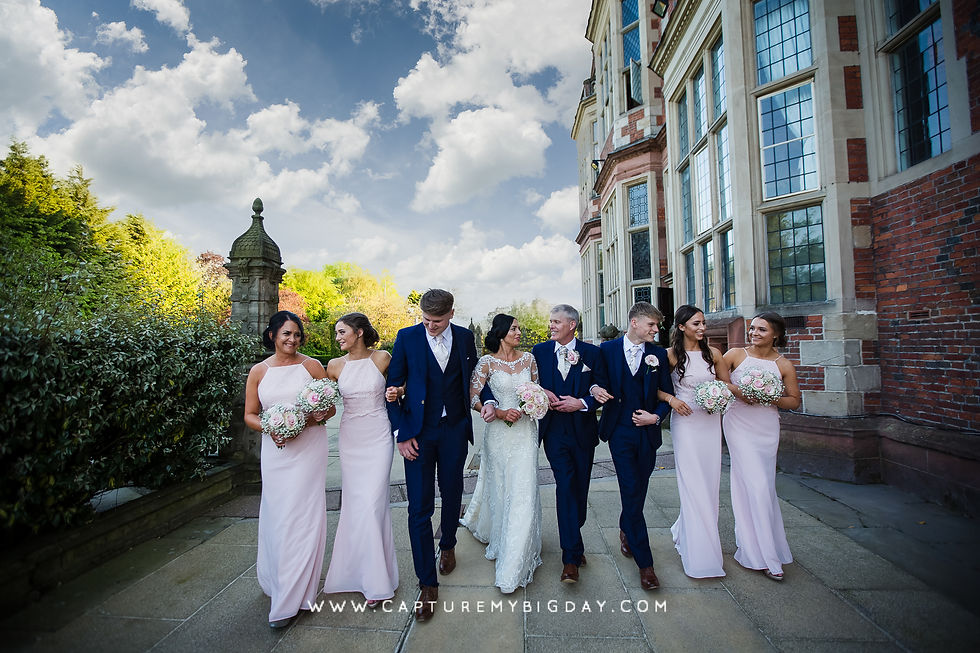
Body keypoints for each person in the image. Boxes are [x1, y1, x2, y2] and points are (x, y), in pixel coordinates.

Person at [384, 289, 479, 621]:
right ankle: (427, 583)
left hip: (454, 430)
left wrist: (489, 402)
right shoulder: (407, 337)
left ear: (451, 313)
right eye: (425, 320)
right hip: (418, 433)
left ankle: (449, 542)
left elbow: (475, 380)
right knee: (418, 508)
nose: (430, 326)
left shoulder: (466, 339)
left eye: (436, 321)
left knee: (452, 493)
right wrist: (401, 433)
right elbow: (392, 390)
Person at [244, 311, 335, 628]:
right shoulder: (258, 371)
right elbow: (251, 415)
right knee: (279, 516)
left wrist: (303, 421)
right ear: (272, 335)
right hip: (276, 452)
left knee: (305, 517)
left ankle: (293, 597)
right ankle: (279, 579)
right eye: (286, 334)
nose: (292, 340)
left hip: (309, 449)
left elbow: (329, 407)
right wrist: (272, 427)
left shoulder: (312, 366)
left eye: (297, 334)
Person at [593, 301, 674, 590]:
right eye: (652, 324)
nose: (656, 329)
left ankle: (626, 526)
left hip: (648, 432)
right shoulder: (608, 350)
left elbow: (668, 394)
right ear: (635, 323)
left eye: (657, 325)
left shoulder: (657, 355)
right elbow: (594, 381)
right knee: (630, 487)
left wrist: (656, 417)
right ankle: (646, 565)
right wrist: (593, 389)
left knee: (639, 487)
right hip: (619, 432)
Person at [462, 314, 543, 593]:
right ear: (500, 333)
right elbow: (473, 396)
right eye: (514, 328)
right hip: (498, 434)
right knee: (499, 489)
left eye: (519, 327)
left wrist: (533, 406)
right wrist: (494, 411)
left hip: (525, 433)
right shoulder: (486, 362)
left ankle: (515, 559)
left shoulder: (529, 359)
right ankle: (498, 536)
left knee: (523, 490)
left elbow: (538, 391)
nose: (519, 332)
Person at [322, 313, 398, 608]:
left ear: (360, 332)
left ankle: (376, 582)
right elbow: (325, 404)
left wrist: (397, 391)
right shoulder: (334, 366)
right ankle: (354, 574)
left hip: (378, 436)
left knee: (372, 504)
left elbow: (402, 388)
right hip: (350, 437)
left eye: (342, 332)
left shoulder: (383, 358)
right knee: (356, 505)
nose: (338, 337)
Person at [722, 312, 801, 581]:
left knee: (762, 485)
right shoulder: (735, 354)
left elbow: (794, 401)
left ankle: (763, 546)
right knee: (755, 484)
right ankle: (765, 557)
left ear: (776, 334)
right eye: (752, 328)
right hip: (738, 423)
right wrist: (738, 391)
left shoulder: (784, 365)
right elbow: (718, 380)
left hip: (766, 427)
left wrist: (770, 395)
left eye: (761, 330)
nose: (754, 333)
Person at [530, 305, 604, 583]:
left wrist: (582, 402)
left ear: (572, 324)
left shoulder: (593, 353)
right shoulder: (538, 352)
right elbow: (528, 383)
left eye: (556, 322)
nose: (551, 326)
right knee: (565, 485)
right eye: (550, 321)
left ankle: (575, 535)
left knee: (579, 489)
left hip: (583, 431)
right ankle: (570, 558)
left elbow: (603, 387)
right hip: (554, 432)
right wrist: (542, 391)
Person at [660, 305, 728, 578]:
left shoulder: (714, 354)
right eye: (696, 324)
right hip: (686, 422)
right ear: (681, 327)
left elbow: (727, 385)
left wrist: (719, 397)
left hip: (711, 422)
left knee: (710, 483)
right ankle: (700, 553)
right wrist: (671, 399)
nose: (702, 328)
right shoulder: (671, 356)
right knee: (693, 484)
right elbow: (654, 388)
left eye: (703, 323)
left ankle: (689, 530)